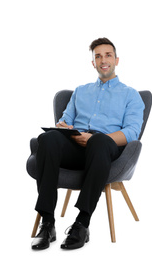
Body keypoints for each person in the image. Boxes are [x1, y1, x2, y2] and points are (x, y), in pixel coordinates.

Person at [31, 37, 145, 250]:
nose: (103, 60)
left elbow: (132, 132)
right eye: (98, 56)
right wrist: (64, 128)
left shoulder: (131, 95)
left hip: (106, 147)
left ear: (116, 60)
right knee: (48, 139)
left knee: (99, 141)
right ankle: (47, 222)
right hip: (76, 144)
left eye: (108, 55)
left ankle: (82, 223)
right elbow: (66, 119)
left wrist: (95, 138)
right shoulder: (80, 91)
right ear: (93, 63)